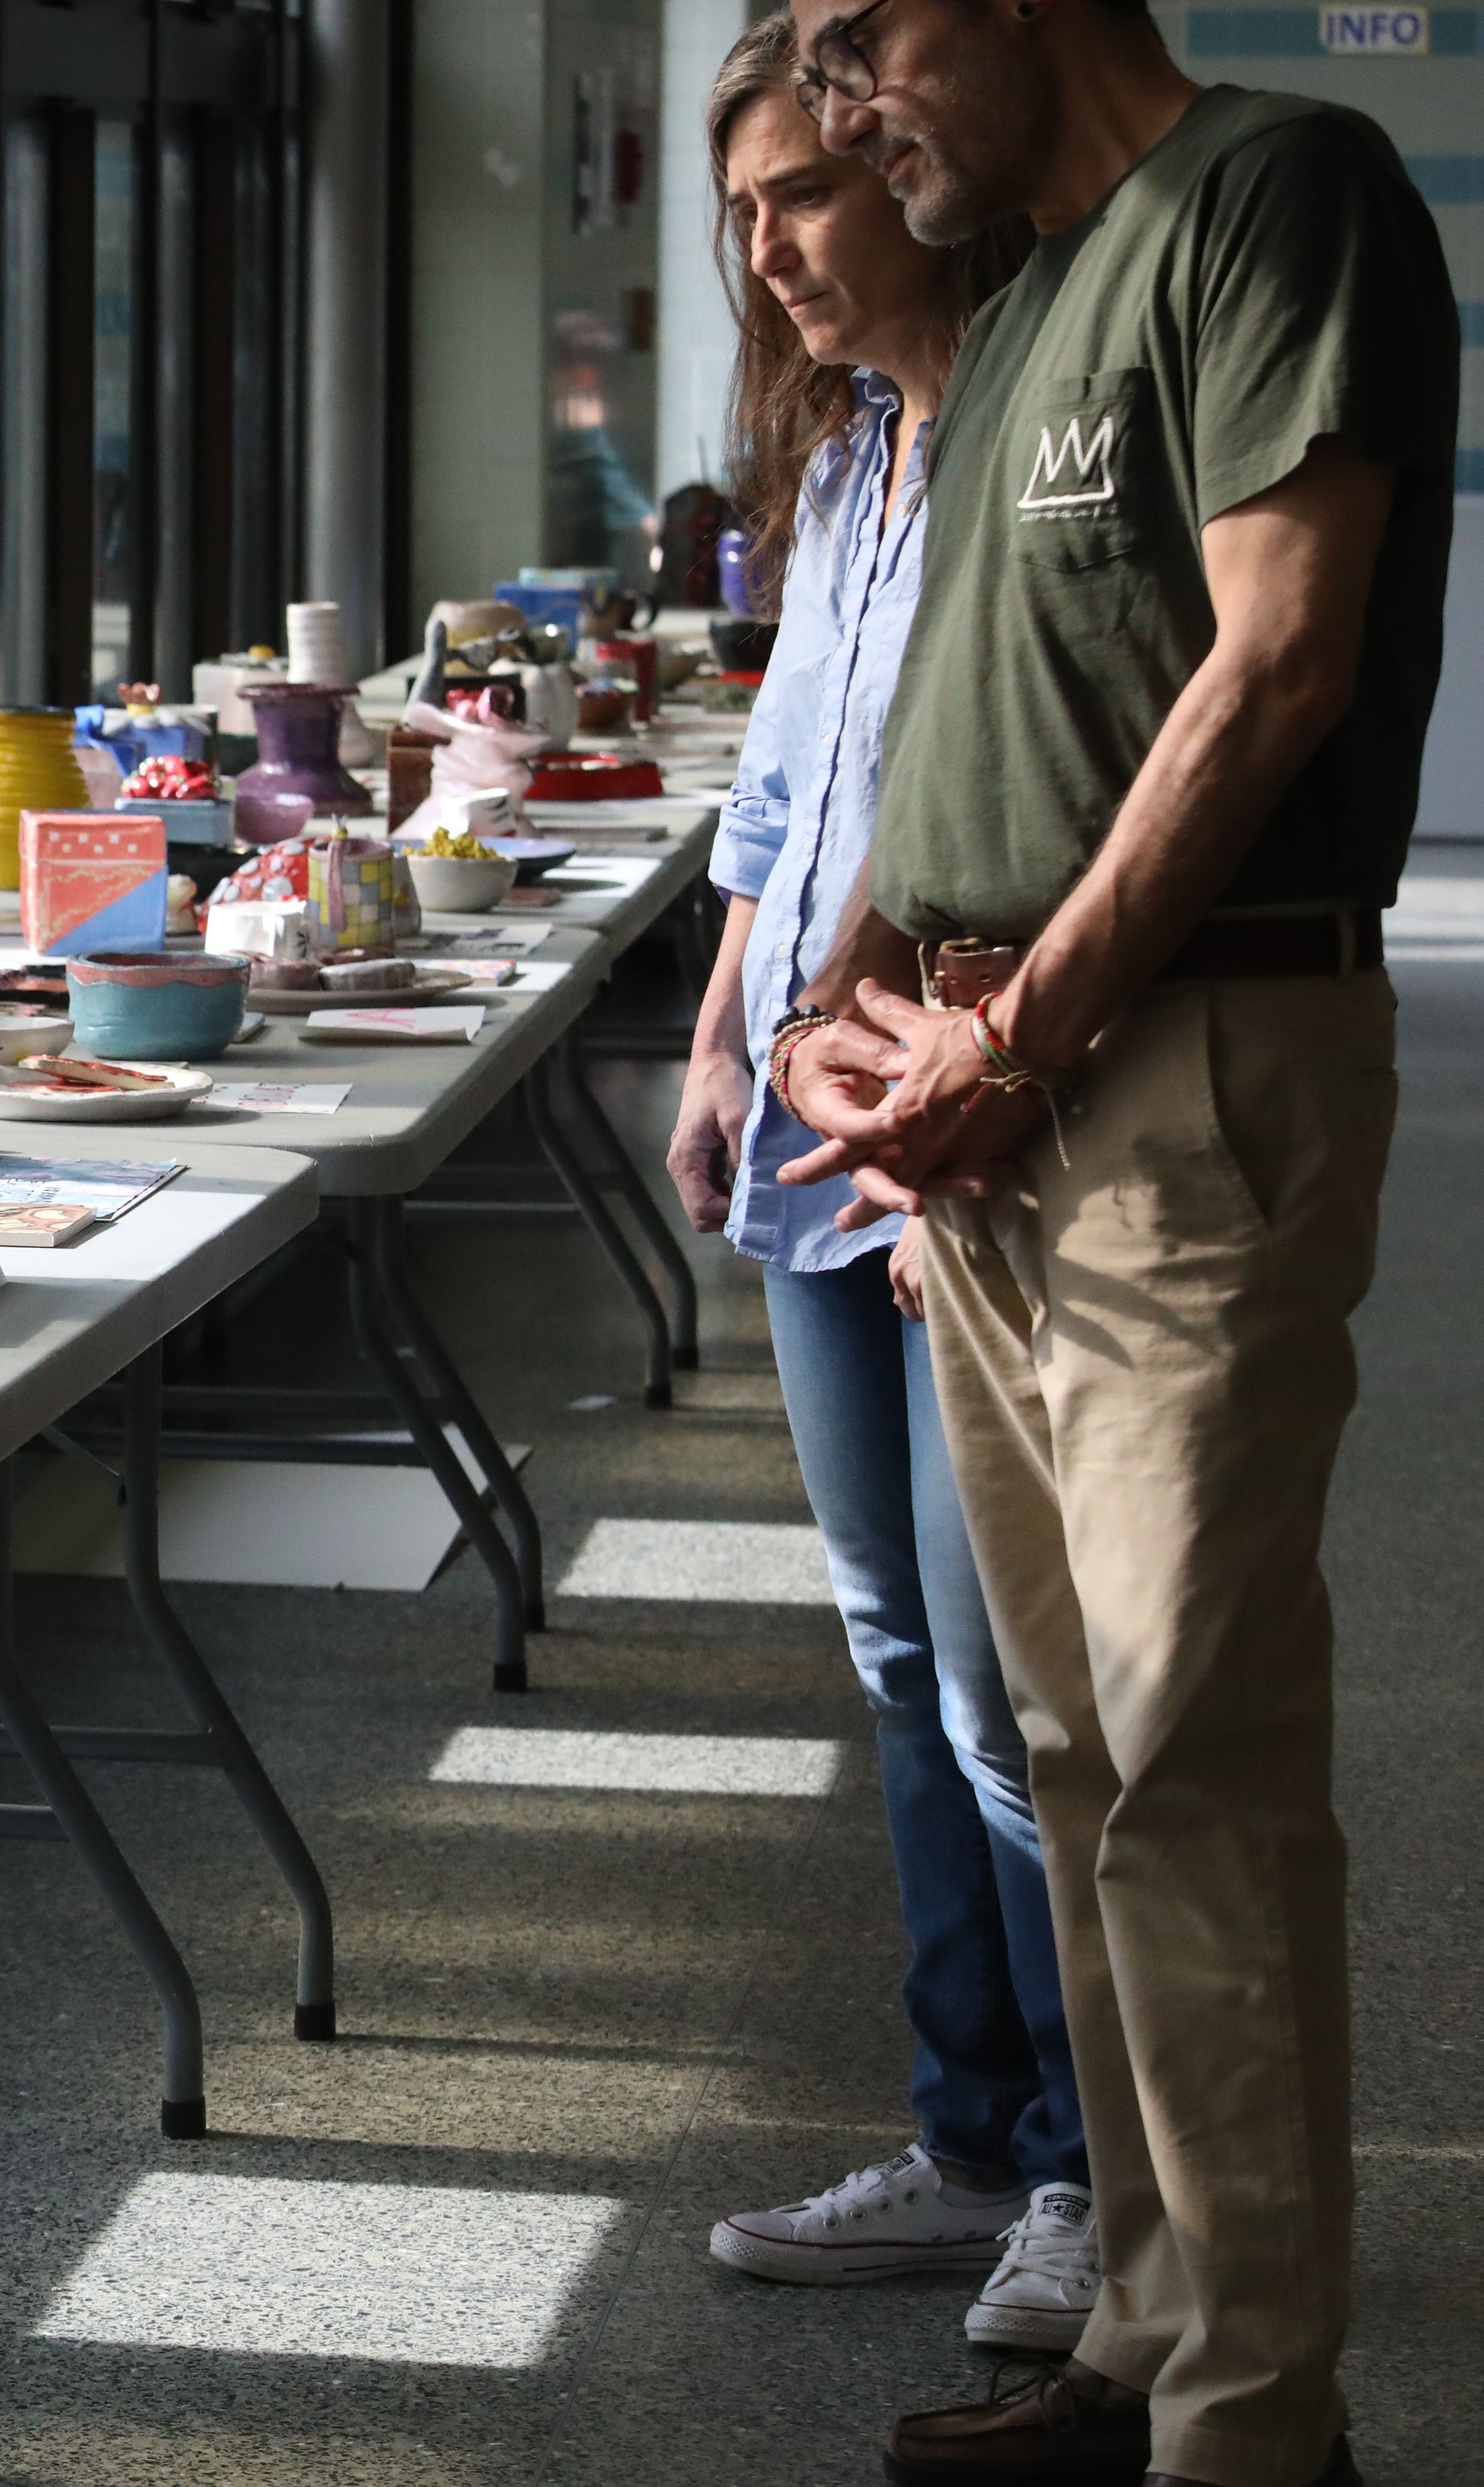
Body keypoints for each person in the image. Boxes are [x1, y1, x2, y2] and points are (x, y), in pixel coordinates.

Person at [767, 3, 1456, 2481]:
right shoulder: (1032, 287)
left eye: (867, 41)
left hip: (1180, 1076)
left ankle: (1257, 2429)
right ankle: (1147, 2351)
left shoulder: (1277, 195)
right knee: (1068, 1755)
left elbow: (1278, 660)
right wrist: (840, 994)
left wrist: (1024, 1024)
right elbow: (960, 722)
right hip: (989, 1102)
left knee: (1195, 1756)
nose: (846, 103)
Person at [666, 17, 1088, 2359]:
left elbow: (1024, 812)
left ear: (908, 175)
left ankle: (1092, 2180)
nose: (773, 250)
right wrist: (719, 1036)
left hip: (947, 1134)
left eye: (804, 195)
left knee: (1009, 1685)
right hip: (804, 1127)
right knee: (900, 1656)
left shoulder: (1025, 448)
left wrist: (929, 1133)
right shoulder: (848, 459)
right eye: (742, 213)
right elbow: (785, 790)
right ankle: (971, 2138)